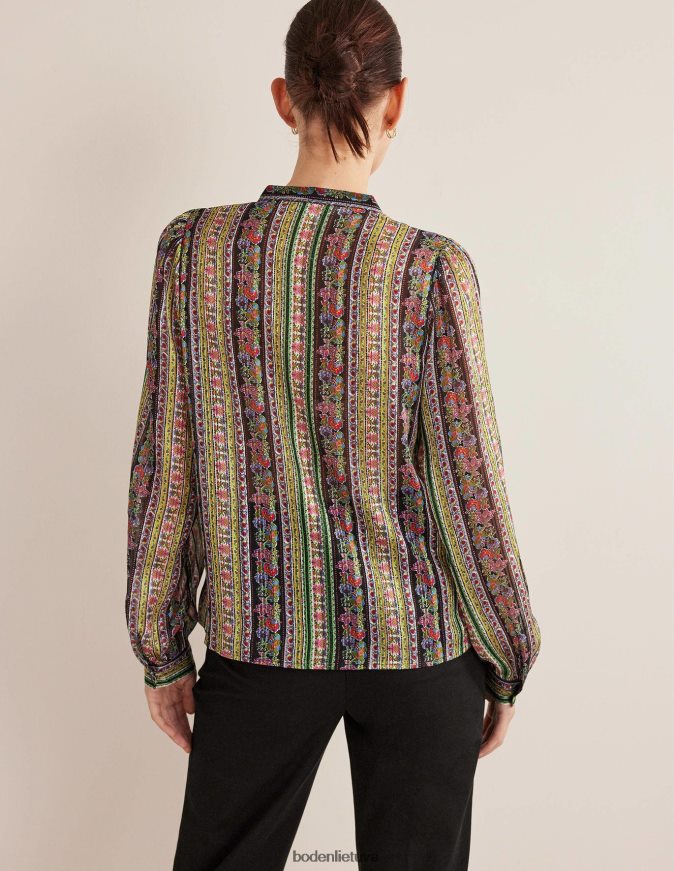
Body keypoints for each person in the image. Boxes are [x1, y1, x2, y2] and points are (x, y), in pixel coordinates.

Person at [125, 1, 542, 868]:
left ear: (284, 97)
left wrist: (161, 650)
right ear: (398, 101)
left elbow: (168, 465)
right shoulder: (429, 268)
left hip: (259, 642)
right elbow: (471, 486)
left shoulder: (194, 250)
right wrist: (508, 652)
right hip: (422, 650)